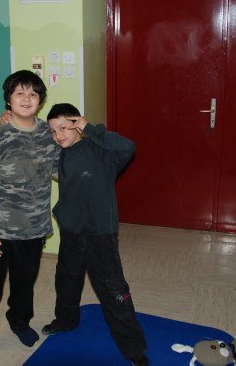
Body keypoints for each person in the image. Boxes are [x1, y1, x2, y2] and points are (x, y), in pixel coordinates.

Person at [43, 103, 149, 366]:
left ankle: (134, 349)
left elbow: (128, 147)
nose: (58, 135)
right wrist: (7, 118)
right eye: (54, 131)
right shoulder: (60, 153)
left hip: (99, 234)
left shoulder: (101, 152)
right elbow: (30, 138)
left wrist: (91, 128)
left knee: (114, 290)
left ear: (77, 124)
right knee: (66, 281)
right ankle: (66, 321)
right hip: (71, 231)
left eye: (64, 128)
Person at [0, 70, 60, 364]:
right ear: (8, 100)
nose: (27, 99)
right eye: (19, 93)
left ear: (41, 100)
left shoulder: (48, 134)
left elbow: (60, 171)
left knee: (24, 286)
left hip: (33, 228)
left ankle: (19, 322)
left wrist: (75, 136)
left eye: (33, 93)